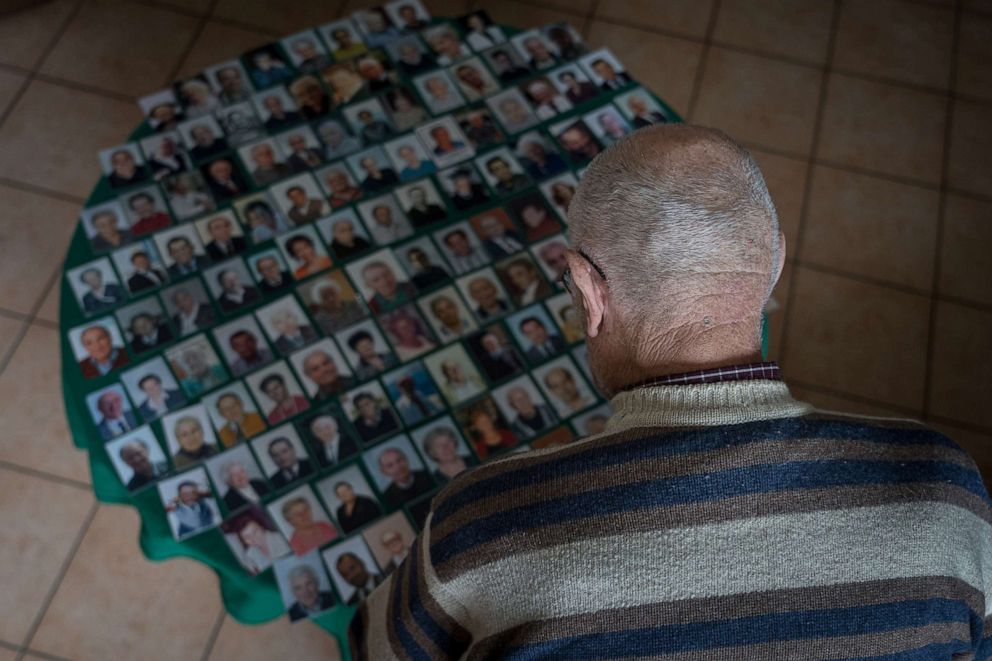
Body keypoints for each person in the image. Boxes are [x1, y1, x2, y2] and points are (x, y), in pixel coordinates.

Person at [360, 124, 992, 658]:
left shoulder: (482, 522)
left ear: (588, 291)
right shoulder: (945, 491)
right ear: (774, 260)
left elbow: (377, 646)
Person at [225, 510, 290, 575]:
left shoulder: (281, 538)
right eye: (247, 537)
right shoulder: (250, 555)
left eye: (255, 531)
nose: (253, 538)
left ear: (262, 527)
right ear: (243, 541)